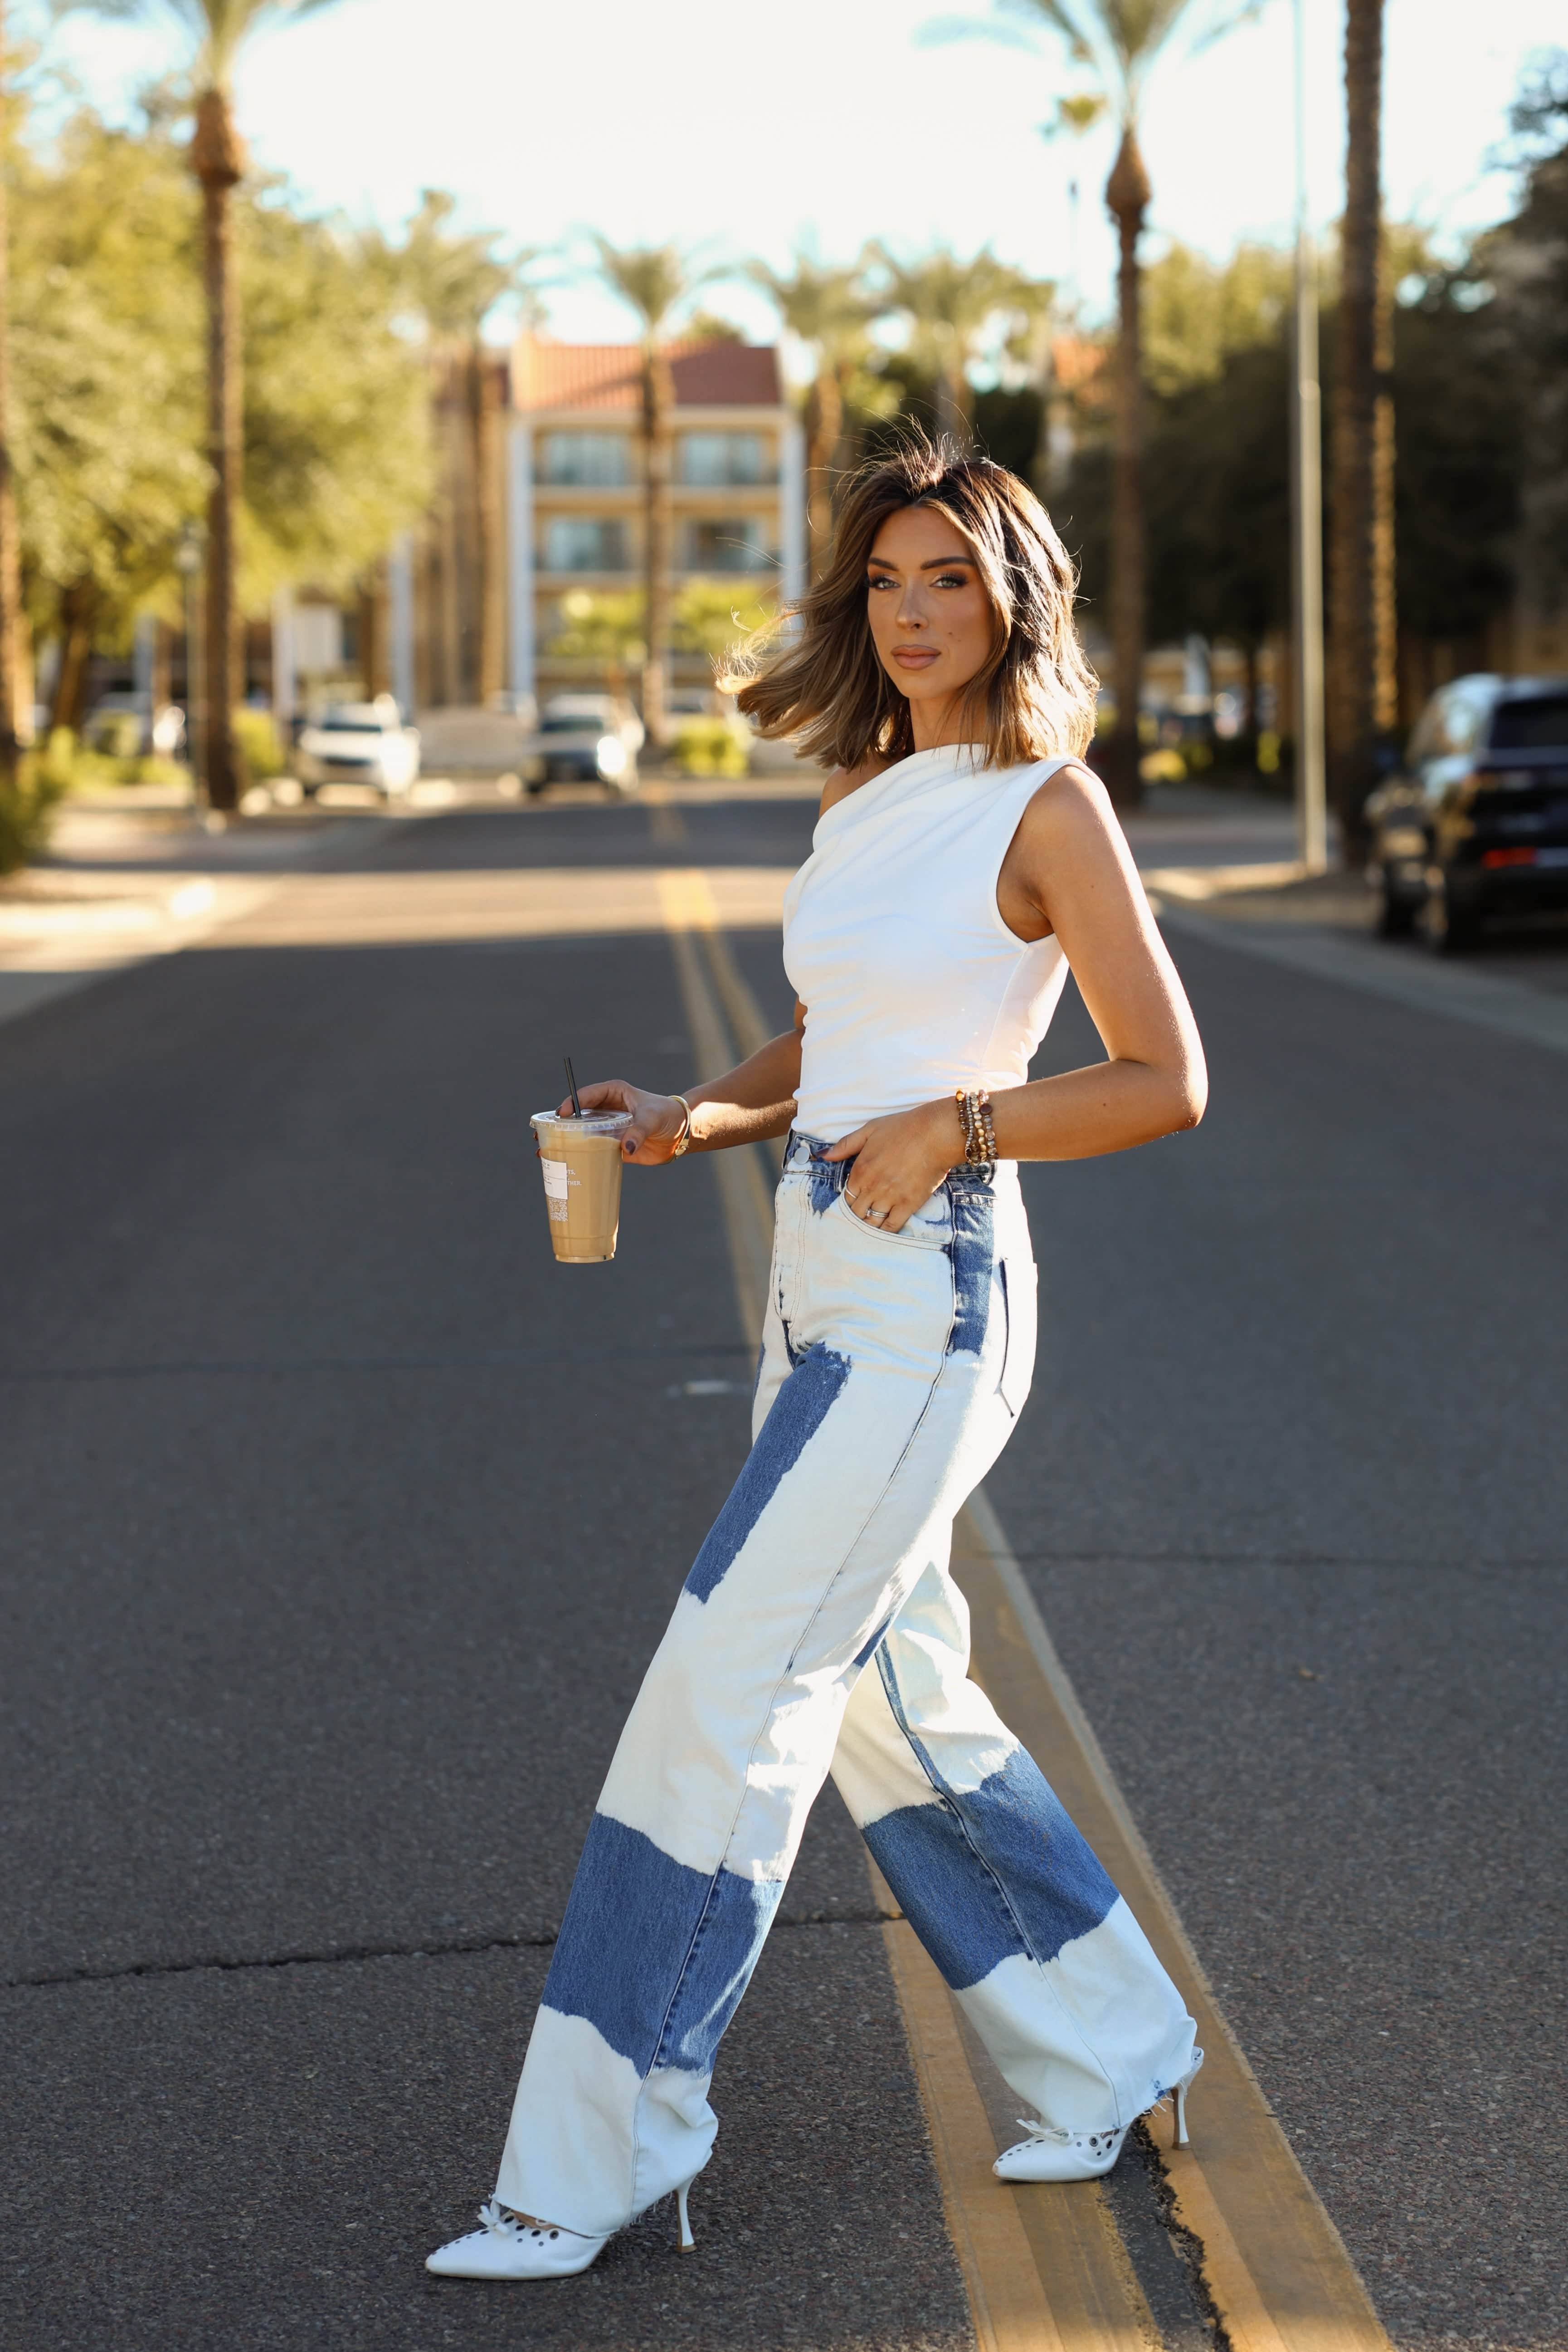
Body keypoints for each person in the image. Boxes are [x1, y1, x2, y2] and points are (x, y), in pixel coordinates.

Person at [427, 435, 1208, 2283]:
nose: (915, 610)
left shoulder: (1050, 805)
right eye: (886, 581)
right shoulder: (867, 795)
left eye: (949, 576)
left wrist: (960, 1122)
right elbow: (833, 1021)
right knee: (888, 1689)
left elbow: (1162, 1078)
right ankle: (1107, 2045)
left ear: (1013, 592)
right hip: (809, 1278)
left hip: (930, 1296)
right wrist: (699, 1115)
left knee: (726, 1683)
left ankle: (605, 2139)